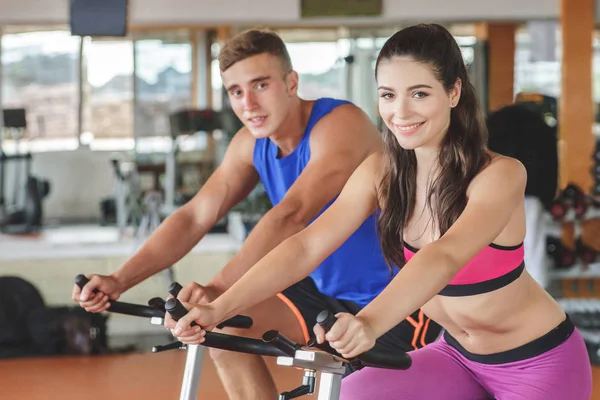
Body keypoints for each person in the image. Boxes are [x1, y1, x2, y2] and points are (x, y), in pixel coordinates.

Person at [169, 24, 592, 400]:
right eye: (389, 95)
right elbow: (306, 245)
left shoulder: (499, 175)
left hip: (536, 362)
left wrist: (368, 323)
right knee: (354, 394)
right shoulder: (382, 172)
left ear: (454, 92)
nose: (400, 113)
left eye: (420, 94)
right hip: (456, 356)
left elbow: (442, 257)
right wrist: (217, 308)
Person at [72, 29, 442, 399]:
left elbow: (292, 215)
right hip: (319, 289)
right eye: (235, 91)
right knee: (226, 331)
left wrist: (217, 291)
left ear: (290, 83)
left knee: (351, 389)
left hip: (393, 297)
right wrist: (120, 280)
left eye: (260, 85)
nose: (248, 103)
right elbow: (196, 215)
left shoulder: (339, 123)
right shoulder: (250, 144)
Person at [487, 103, 559, 290]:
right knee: (532, 255)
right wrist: (546, 197)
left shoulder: (495, 125)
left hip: (496, 192)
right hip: (529, 193)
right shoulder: (539, 129)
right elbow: (549, 165)